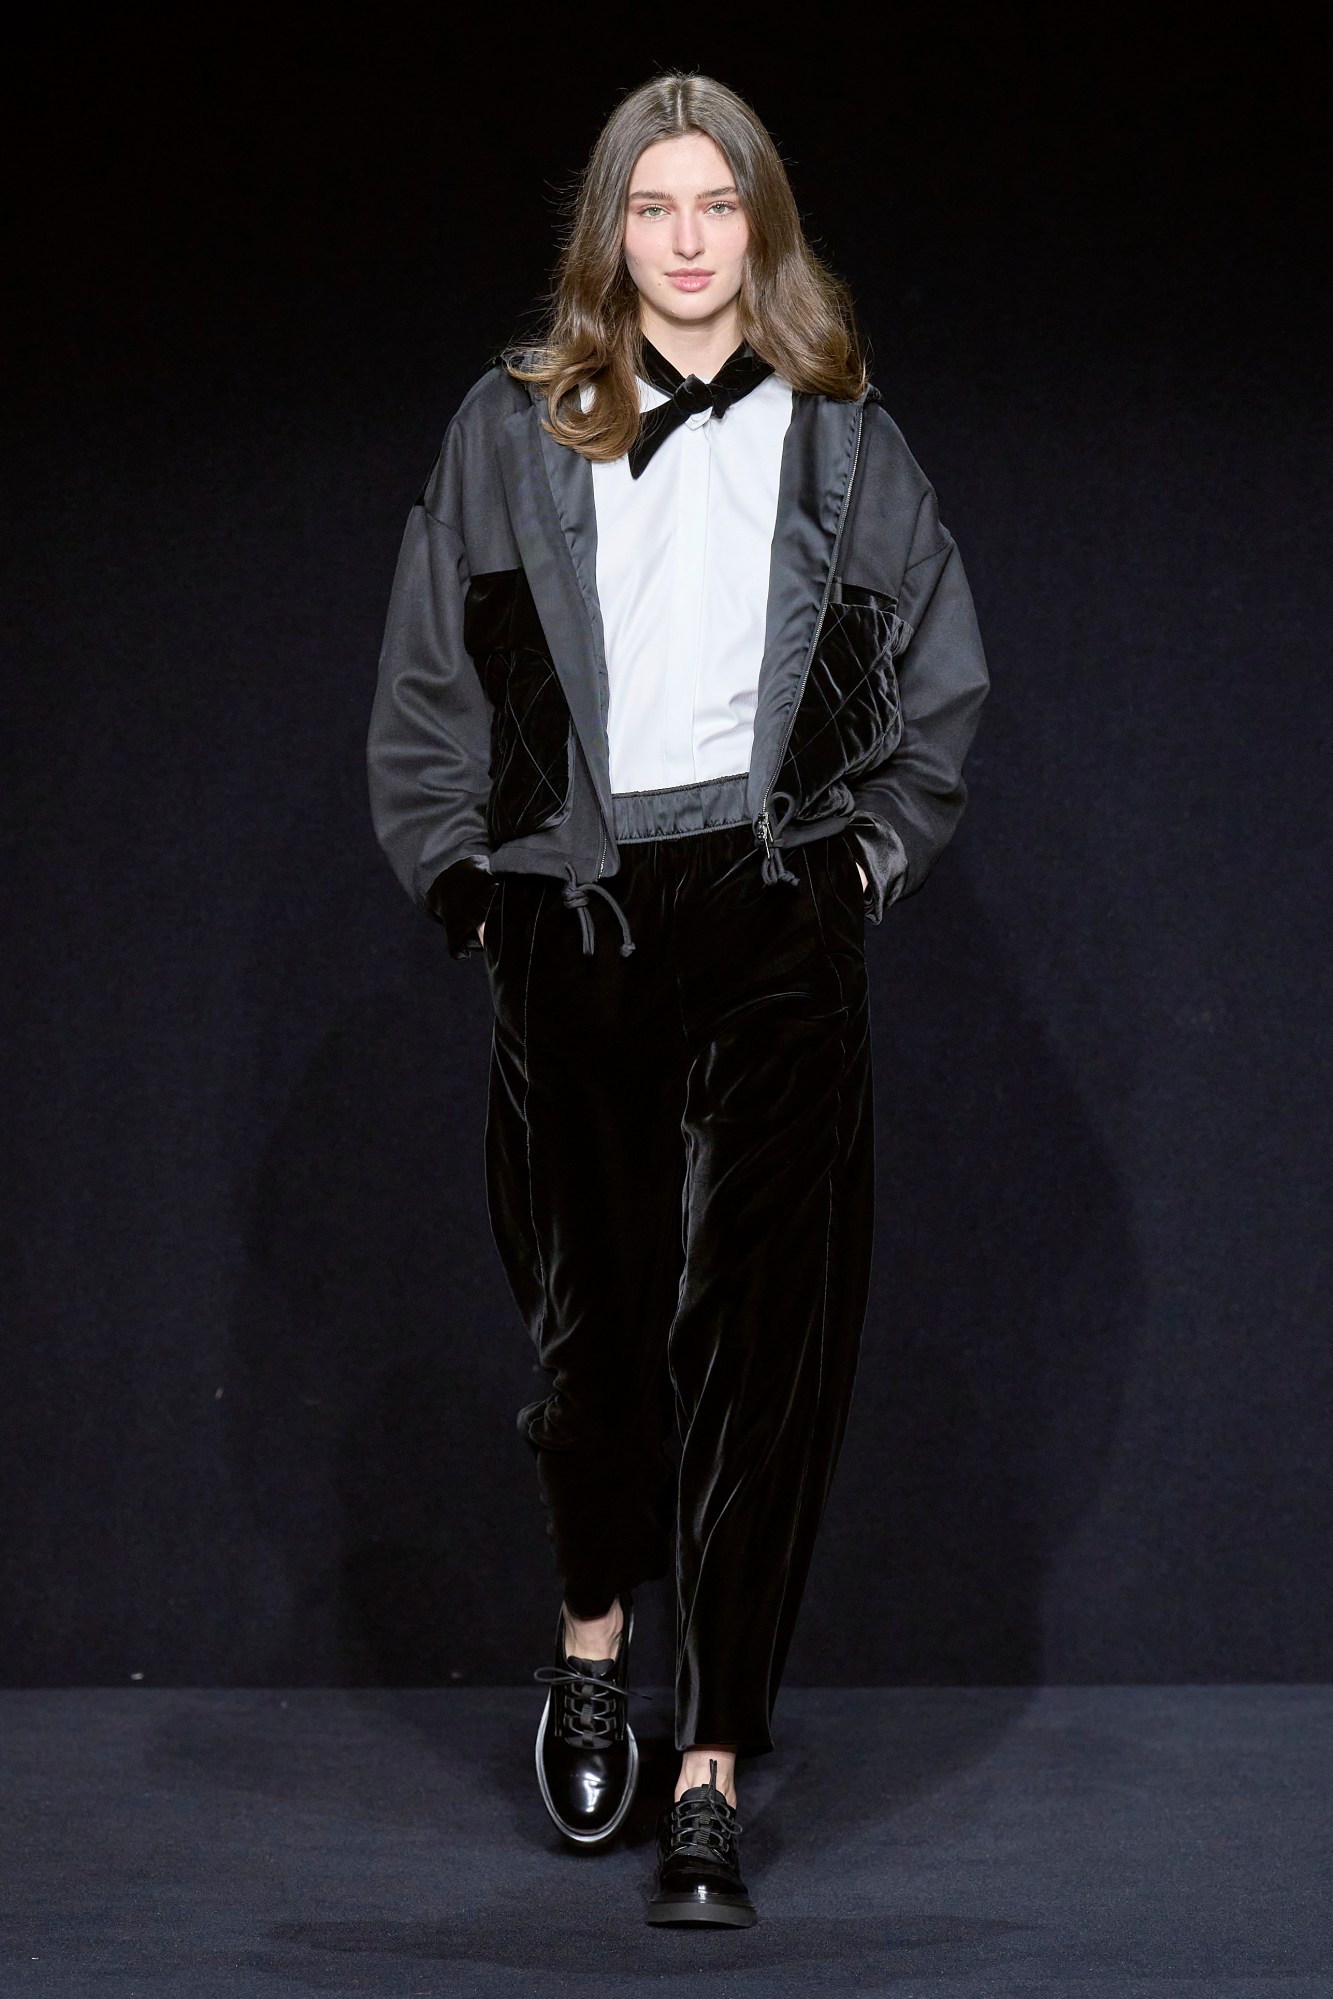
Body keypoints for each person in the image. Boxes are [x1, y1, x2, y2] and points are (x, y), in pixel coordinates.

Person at [367, 70, 989, 1928]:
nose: (691, 238)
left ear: (762, 224)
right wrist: (470, 890)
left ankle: (708, 1762)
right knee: (596, 1330)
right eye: (656, 206)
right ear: (612, 231)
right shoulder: (512, 426)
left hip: (768, 903)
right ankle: (590, 1643)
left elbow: (938, 682)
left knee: (759, 1345)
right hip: (581, 909)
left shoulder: (846, 440)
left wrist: (855, 871)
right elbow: (427, 671)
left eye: (720, 204)